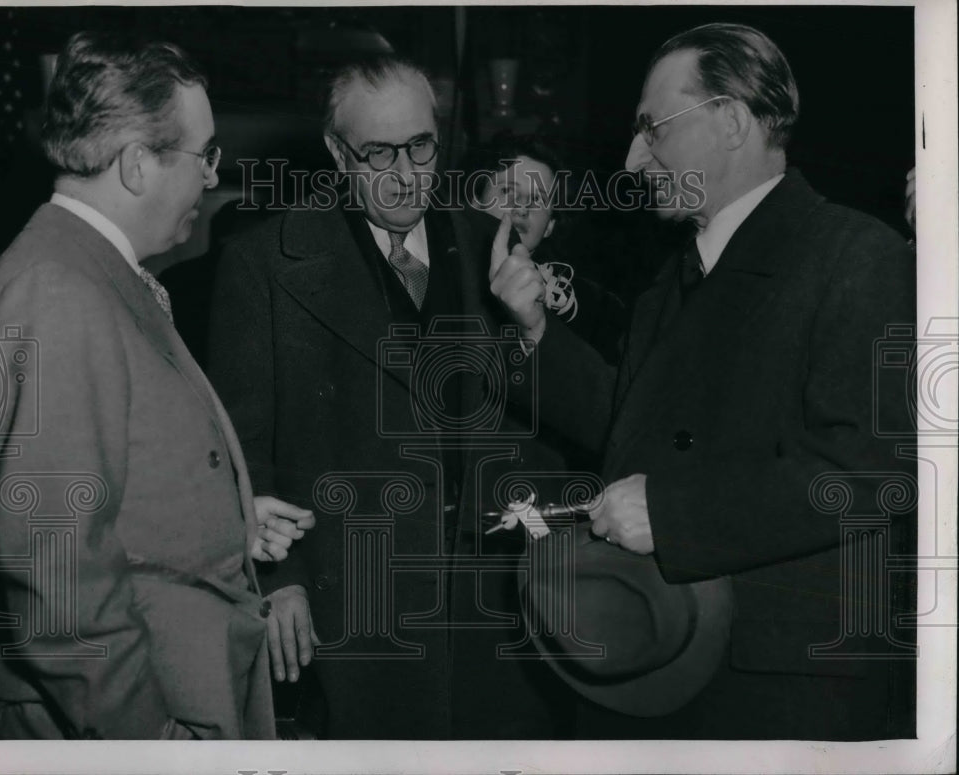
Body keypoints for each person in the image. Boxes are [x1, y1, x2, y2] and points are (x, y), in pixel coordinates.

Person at [489, 23, 916, 739]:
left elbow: (868, 472)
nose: (632, 160)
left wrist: (673, 512)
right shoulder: (672, 282)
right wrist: (536, 333)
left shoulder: (857, 256)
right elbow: (630, 428)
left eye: (651, 129)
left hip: (783, 683)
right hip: (669, 654)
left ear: (732, 121)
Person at [206, 55, 580, 739]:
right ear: (336, 153)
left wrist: (533, 333)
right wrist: (280, 578)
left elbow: (559, 419)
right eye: (378, 153)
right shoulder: (261, 264)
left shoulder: (487, 243)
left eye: (421, 146)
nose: (406, 173)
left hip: (494, 604)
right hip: (354, 603)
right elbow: (239, 450)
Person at [0, 31, 314, 740]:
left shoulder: (96, 271)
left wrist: (228, 515)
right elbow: (59, 576)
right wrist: (148, 744)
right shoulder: (59, 290)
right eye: (204, 156)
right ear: (137, 164)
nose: (209, 178)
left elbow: (111, 481)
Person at [471, 132, 628, 364]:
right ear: (475, 204)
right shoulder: (436, 270)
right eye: (507, 191)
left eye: (538, 200)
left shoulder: (590, 306)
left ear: (549, 226)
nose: (521, 207)